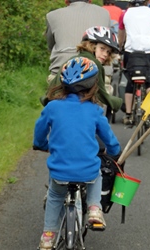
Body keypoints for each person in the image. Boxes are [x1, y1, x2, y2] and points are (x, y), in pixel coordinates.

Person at [33, 57, 122, 250]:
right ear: (93, 85)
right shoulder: (95, 110)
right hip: (87, 171)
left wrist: (40, 144)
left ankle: (48, 237)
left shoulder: (52, 107)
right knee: (96, 174)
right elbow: (109, 138)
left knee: (55, 197)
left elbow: (40, 131)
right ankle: (94, 209)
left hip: (59, 172)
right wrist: (115, 152)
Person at [48, 26, 123, 121]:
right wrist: (118, 103)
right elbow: (101, 94)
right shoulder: (95, 65)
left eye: (108, 52)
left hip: (58, 105)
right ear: (92, 45)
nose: (105, 54)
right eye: (102, 49)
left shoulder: (71, 60)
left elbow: (54, 84)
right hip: (79, 109)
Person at [117, 0, 150, 125]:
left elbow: (121, 37)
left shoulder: (125, 14)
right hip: (149, 54)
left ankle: (128, 115)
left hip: (131, 54)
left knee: (130, 82)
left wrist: (119, 48)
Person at [45, 0, 110, 84]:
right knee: (104, 92)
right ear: (90, 1)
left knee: (53, 93)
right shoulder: (104, 13)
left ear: (66, 1)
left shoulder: (52, 16)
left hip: (62, 71)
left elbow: (50, 45)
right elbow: (108, 43)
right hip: (97, 71)